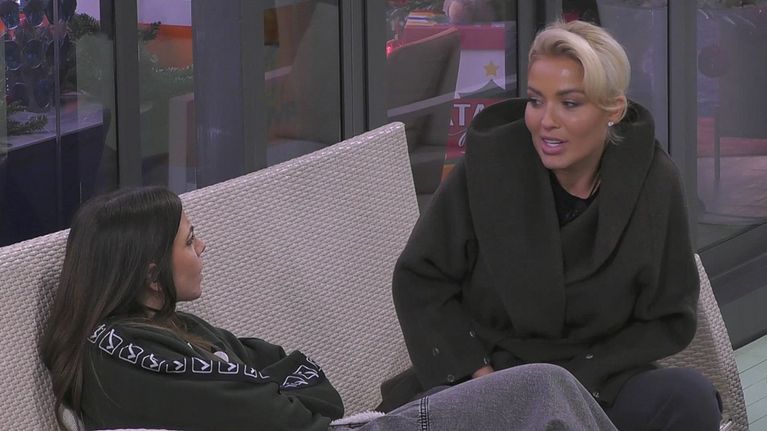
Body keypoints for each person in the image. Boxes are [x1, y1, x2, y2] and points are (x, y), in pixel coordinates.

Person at [39, 186, 618, 431]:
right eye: (190, 242)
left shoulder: (177, 327)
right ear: (149, 274)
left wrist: (278, 395)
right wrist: (279, 396)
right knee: (543, 387)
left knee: (545, 389)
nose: (203, 248)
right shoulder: (118, 352)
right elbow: (278, 415)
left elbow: (296, 375)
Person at [390, 20, 722, 431]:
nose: (546, 121)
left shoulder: (654, 182)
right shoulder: (490, 167)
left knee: (689, 398)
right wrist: (481, 377)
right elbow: (421, 278)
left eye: (569, 103)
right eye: (535, 101)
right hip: (494, 377)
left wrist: (581, 379)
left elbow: (667, 314)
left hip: (598, 378)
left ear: (613, 110)